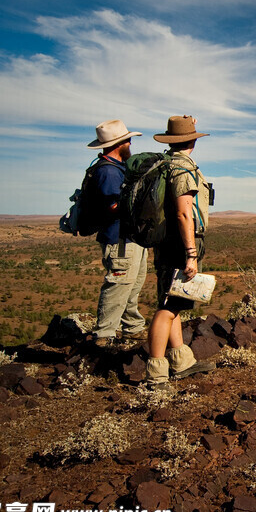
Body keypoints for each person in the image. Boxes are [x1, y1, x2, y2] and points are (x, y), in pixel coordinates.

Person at [145, 115, 216, 389]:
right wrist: (191, 253)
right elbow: (185, 214)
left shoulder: (166, 165)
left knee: (173, 302)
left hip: (166, 242)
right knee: (166, 307)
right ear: (193, 142)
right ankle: (155, 373)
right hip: (179, 243)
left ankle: (181, 361)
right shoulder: (182, 170)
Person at [87, 120, 148, 348]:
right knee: (118, 285)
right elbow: (114, 206)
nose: (131, 143)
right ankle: (104, 335)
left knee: (132, 285)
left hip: (131, 237)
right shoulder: (108, 171)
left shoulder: (116, 168)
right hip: (120, 240)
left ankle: (132, 328)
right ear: (120, 143)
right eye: (127, 140)